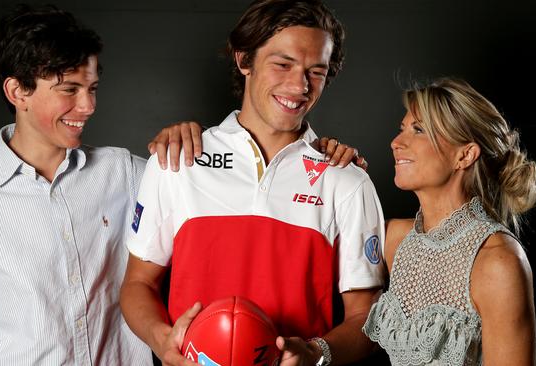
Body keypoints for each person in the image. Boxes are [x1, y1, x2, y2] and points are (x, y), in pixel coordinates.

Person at [0, 4, 205, 365]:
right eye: (70, 89)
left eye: (92, 88)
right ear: (18, 92)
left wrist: (189, 142)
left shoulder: (123, 172)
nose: (89, 105)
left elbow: (209, 198)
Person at [120, 1, 386, 365]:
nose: (299, 86)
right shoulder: (177, 160)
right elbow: (138, 285)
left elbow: (365, 316)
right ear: (244, 60)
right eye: (283, 64)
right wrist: (163, 340)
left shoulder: (347, 180)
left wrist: (317, 353)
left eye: (316, 71)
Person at [362, 78, 536, 365]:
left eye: (418, 130)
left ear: (465, 155)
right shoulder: (394, 239)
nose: (396, 143)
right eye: (402, 129)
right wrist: (330, 164)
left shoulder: (498, 261)